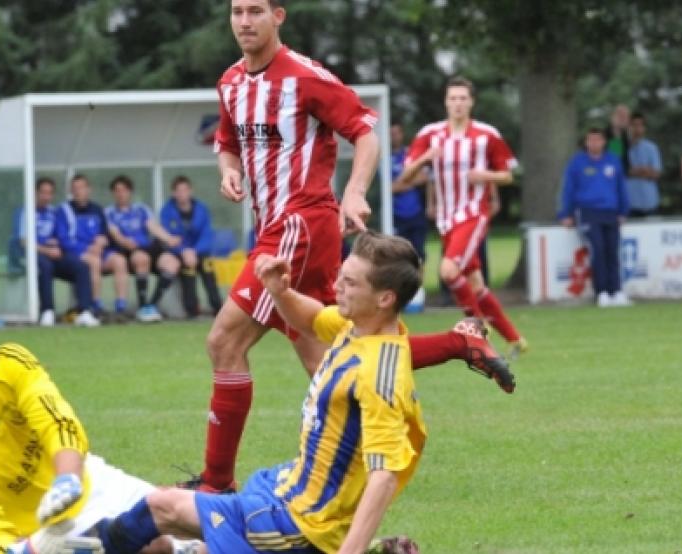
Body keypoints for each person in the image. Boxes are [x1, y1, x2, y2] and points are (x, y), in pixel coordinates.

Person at [185, 0, 514, 495]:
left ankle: (215, 484)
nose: (244, 21)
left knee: (224, 342)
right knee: (331, 356)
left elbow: (365, 135)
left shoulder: (305, 77)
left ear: (279, 16)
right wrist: (230, 171)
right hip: (276, 227)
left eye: (256, 10)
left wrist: (355, 191)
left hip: (299, 225)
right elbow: (227, 143)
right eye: (236, 11)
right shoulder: (231, 82)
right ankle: (458, 343)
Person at [95, 232, 428, 554]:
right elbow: (311, 319)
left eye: (351, 282)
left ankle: (87, 547)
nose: (337, 286)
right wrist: (280, 292)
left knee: (161, 507)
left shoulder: (378, 374)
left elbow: (383, 477)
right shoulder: (356, 326)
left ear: (385, 299)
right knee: (178, 538)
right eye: (342, 275)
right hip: (287, 488)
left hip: (303, 524)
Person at [0, 320, 198, 554]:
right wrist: (29, 549)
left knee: (184, 513)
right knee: (155, 546)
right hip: (51, 537)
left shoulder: (6, 364)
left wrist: (68, 481)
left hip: (89, 479)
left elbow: (57, 422)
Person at [398, 76, 527, 357]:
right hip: (446, 219)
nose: (457, 103)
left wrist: (486, 176)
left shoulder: (486, 135)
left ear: (471, 102)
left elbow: (508, 175)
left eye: (462, 98)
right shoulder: (430, 134)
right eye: (452, 98)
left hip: (473, 214)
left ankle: (477, 326)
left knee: (448, 271)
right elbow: (406, 177)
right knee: (476, 283)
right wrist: (425, 158)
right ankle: (516, 340)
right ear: (446, 102)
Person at [558, 127, 631, 308]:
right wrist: (565, 213)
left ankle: (617, 291)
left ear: (604, 142)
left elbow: (621, 187)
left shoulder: (613, 161)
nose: (594, 143)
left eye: (598, 140)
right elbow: (568, 189)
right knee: (597, 250)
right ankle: (603, 292)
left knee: (612, 251)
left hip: (611, 212)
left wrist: (623, 211)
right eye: (590, 140)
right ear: (586, 142)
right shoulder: (577, 163)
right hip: (588, 212)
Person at [23, 177, 101, 327]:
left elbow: (61, 235)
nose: (46, 197)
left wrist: (57, 244)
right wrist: (45, 249)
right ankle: (47, 311)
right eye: (43, 193)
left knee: (81, 266)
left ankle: (85, 311)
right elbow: (23, 241)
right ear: (35, 193)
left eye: (49, 193)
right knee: (45, 267)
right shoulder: (26, 212)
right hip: (35, 255)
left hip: (55, 254)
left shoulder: (55, 212)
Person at [105, 175, 182, 322]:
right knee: (142, 258)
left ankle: (151, 305)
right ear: (113, 193)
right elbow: (114, 233)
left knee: (172, 263)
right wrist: (124, 240)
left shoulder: (141, 209)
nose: (121, 194)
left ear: (130, 192)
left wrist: (168, 238)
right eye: (117, 191)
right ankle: (142, 305)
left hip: (149, 247)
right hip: (128, 251)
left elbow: (152, 226)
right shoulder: (109, 212)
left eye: (124, 190)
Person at [57, 175, 131, 321]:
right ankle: (95, 306)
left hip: (100, 251)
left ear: (89, 189)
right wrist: (88, 248)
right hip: (79, 252)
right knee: (94, 261)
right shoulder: (64, 211)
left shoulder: (97, 209)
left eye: (82, 188)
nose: (79, 192)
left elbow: (104, 233)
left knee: (120, 261)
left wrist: (102, 241)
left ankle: (121, 307)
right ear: (71, 191)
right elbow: (64, 240)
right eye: (75, 189)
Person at [156, 176, 223, 319]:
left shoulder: (202, 209)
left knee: (207, 265)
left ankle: (217, 306)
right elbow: (168, 237)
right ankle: (192, 309)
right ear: (173, 193)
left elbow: (207, 234)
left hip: (199, 251)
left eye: (185, 190)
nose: (182, 194)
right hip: (179, 252)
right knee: (188, 267)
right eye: (179, 191)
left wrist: (194, 251)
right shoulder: (167, 211)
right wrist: (183, 251)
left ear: (190, 191)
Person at [389, 123, 428, 311]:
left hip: (415, 213)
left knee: (419, 255)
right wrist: (406, 182)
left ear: (401, 133)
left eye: (396, 132)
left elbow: (423, 177)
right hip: (394, 216)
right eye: (390, 133)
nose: (393, 136)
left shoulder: (410, 155)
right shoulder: (383, 158)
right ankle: (401, 297)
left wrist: (401, 183)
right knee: (397, 258)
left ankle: (418, 295)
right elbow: (387, 188)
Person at [625, 112, 662, 217]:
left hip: (650, 203)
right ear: (628, 127)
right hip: (628, 204)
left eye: (640, 125)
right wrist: (645, 170)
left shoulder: (652, 147)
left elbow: (656, 174)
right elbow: (618, 171)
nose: (637, 128)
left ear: (644, 128)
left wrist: (633, 171)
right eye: (634, 125)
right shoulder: (617, 145)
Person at [605, 104, 631, 173]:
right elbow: (615, 155)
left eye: (626, 117)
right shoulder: (604, 134)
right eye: (621, 116)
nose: (623, 119)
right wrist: (616, 130)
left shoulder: (625, 135)